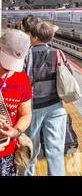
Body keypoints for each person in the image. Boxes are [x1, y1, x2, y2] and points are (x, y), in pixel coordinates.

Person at [21, 21, 69, 176]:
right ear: (50, 37)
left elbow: (21, 81)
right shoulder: (58, 54)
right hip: (56, 107)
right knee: (55, 151)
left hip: (32, 109)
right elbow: (68, 78)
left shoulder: (26, 55)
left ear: (33, 37)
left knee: (29, 149)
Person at [0, 30, 33, 176]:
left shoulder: (22, 79)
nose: (9, 68)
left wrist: (16, 131)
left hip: (7, 154)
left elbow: (26, 114)